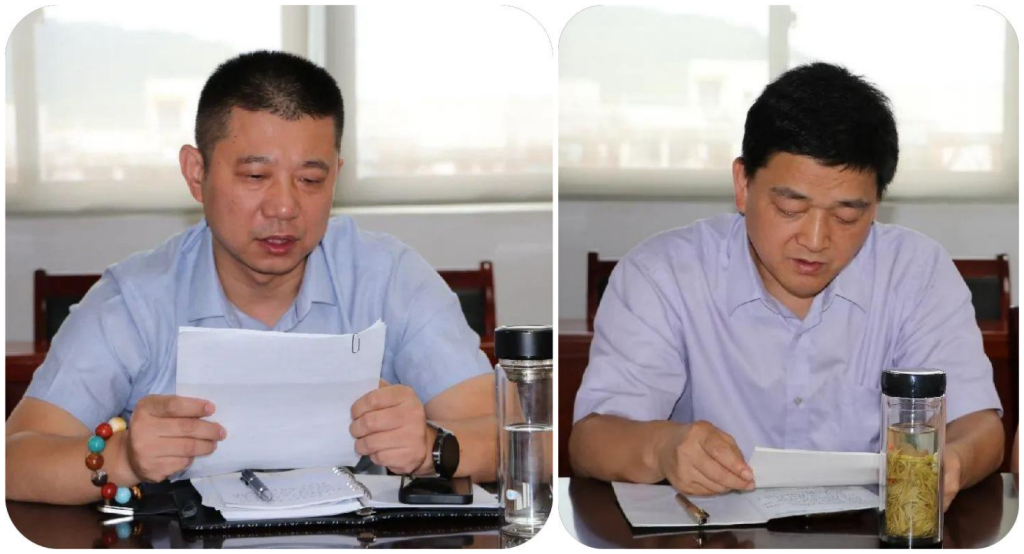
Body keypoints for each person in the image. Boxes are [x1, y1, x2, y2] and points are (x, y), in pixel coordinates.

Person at [6, 51, 496, 505]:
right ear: (196, 173)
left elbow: (508, 434)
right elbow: (15, 459)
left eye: (310, 180)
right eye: (256, 176)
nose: (284, 207)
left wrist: (431, 447)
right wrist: (124, 458)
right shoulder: (135, 301)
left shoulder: (389, 279)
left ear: (336, 176)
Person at [570, 62, 1004, 512]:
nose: (815, 241)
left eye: (847, 215)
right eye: (790, 208)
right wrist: (663, 447)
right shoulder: (663, 275)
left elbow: (979, 425)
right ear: (743, 184)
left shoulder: (916, 272)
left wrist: (953, 460)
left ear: (876, 205)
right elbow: (590, 442)